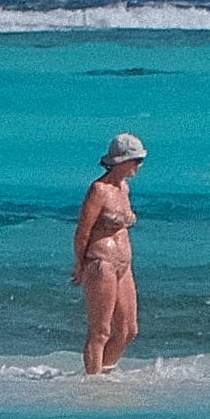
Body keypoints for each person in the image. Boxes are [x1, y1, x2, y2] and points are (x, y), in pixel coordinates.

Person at [72, 135, 148, 376]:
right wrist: (80, 264)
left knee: (128, 330)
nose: (139, 166)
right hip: (101, 262)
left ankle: (103, 373)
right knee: (101, 331)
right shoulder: (99, 190)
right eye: (135, 161)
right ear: (121, 161)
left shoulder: (124, 188)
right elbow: (83, 231)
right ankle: (93, 383)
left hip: (123, 264)